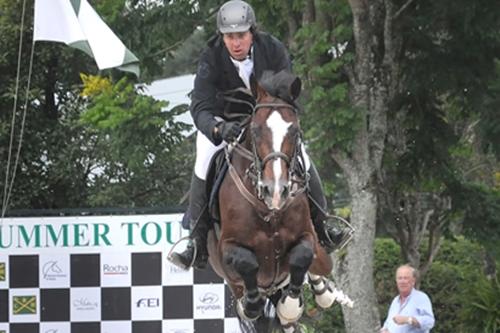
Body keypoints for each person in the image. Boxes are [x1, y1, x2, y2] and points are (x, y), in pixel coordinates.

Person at [168, 0, 347, 270]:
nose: (236, 43)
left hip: (267, 119)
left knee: (304, 158)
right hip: (224, 121)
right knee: (203, 161)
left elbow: (286, 89)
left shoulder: (272, 48)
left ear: (252, 32)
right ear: (222, 37)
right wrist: (217, 128)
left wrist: (267, 116)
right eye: (230, 37)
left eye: (241, 35)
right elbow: (200, 105)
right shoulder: (211, 56)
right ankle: (195, 239)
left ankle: (324, 227)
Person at [381, 264, 435, 333]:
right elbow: (387, 323)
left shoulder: (421, 298)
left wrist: (408, 320)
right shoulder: (395, 301)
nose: (402, 281)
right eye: (400, 278)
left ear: (413, 281)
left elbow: (430, 321)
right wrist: (384, 330)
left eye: (405, 278)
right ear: (396, 281)